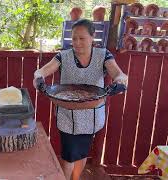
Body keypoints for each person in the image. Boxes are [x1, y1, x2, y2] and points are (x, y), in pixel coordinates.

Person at [33, 19, 128, 180]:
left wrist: (120, 81)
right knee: (69, 155)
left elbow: (118, 74)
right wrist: (38, 78)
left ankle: (75, 178)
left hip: (91, 115)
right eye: (74, 38)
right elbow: (42, 71)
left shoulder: (103, 55)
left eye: (82, 38)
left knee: (82, 152)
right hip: (67, 114)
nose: (77, 43)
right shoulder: (63, 56)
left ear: (93, 37)